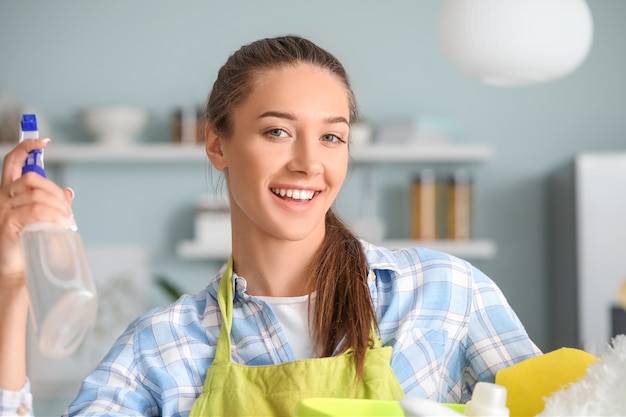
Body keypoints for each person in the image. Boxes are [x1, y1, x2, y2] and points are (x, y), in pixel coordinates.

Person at [0, 35, 541, 416]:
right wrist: (14, 285)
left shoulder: (446, 294)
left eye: (332, 136)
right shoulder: (163, 348)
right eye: (278, 132)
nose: (309, 162)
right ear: (217, 144)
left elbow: (568, 407)